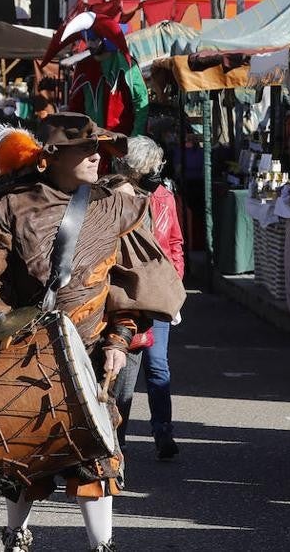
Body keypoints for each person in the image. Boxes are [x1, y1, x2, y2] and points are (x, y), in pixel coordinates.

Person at [0, 113, 185, 551]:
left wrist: (119, 339)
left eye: (100, 148)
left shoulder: (117, 206)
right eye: (87, 149)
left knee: (96, 460)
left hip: (93, 352)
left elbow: (126, 284)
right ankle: (15, 537)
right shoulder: (9, 205)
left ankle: (102, 546)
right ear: (53, 157)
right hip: (27, 353)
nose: (98, 157)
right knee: (25, 456)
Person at [114, 135, 185, 460]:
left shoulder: (164, 197)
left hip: (159, 297)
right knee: (123, 370)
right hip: (129, 296)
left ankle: (163, 433)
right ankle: (117, 439)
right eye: (152, 166)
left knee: (158, 368)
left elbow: (175, 244)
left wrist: (173, 282)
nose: (157, 171)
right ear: (137, 168)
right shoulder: (117, 198)